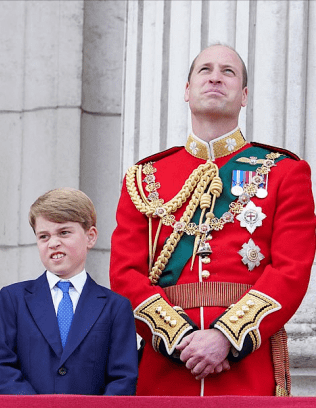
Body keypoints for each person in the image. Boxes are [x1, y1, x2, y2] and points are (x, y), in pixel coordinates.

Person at [110, 44, 316, 396]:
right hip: (166, 367)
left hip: (247, 368)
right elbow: (125, 274)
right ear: (187, 91)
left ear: (244, 96)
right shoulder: (144, 178)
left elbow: (290, 271)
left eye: (228, 72)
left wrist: (227, 336)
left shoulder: (285, 172)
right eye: (204, 70)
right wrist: (180, 338)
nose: (216, 77)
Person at [0, 188, 138, 395]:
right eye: (44, 236)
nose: (53, 243)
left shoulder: (116, 307)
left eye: (64, 232)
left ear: (90, 237)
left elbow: (123, 378)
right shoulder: (13, 299)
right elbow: (1, 368)